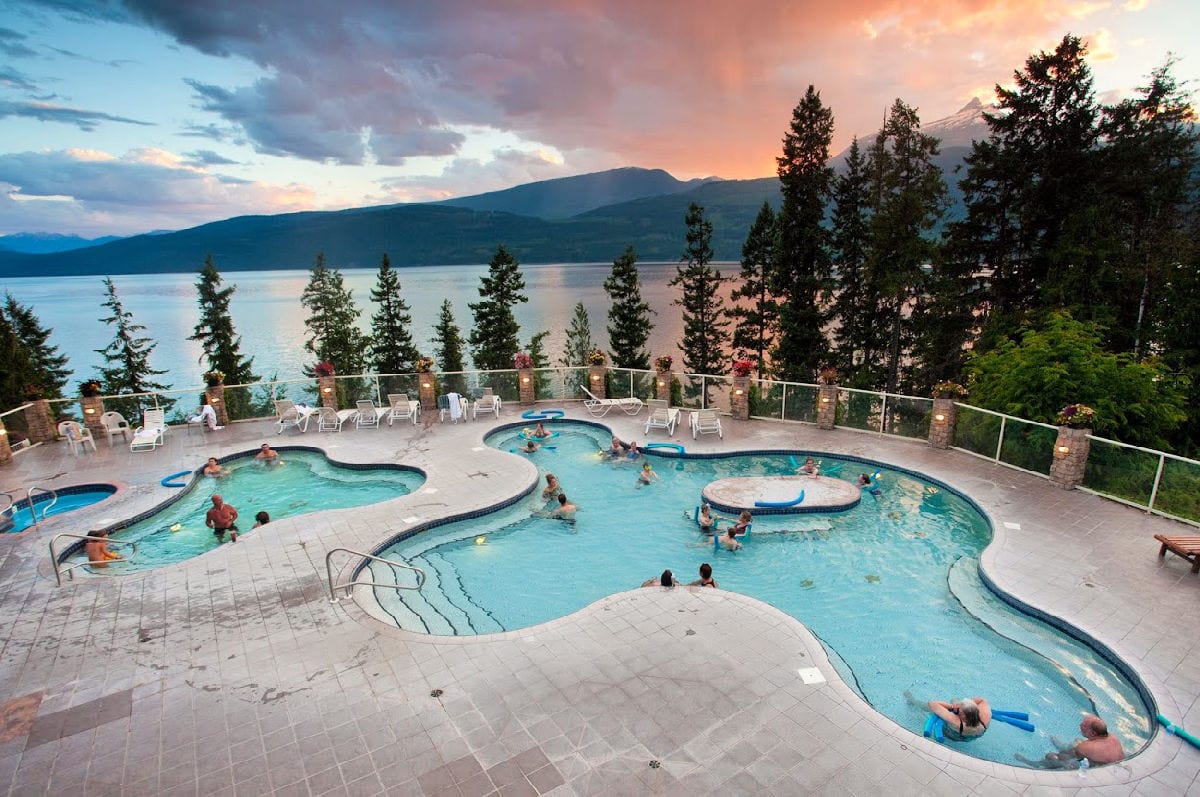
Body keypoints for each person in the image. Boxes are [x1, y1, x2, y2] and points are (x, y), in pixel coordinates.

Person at [1015, 715, 1125, 768]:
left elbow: (1067, 758)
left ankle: (1033, 763)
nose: (1080, 725)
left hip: (1097, 767)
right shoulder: (1112, 737)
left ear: (1093, 733)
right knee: (1076, 742)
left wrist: (1057, 757)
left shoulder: (1086, 747)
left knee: (1052, 756)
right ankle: (1061, 745)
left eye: (1084, 726)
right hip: (1112, 765)